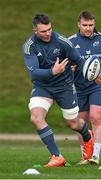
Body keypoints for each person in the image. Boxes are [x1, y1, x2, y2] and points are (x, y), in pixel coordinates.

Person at [22, 13, 94, 167]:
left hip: (64, 86)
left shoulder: (62, 41)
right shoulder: (29, 46)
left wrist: (93, 75)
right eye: (43, 31)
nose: (47, 33)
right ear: (35, 31)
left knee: (73, 124)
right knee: (36, 118)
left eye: (49, 29)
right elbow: (33, 72)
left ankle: (88, 136)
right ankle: (57, 156)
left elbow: (79, 61)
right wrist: (52, 72)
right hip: (43, 87)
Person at [69, 11, 101, 165]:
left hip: (100, 84)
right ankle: (86, 155)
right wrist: (69, 69)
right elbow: (64, 64)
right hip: (79, 87)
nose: (88, 28)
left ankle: (96, 156)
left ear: (94, 23)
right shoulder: (70, 42)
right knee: (81, 123)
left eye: (91, 25)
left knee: (96, 117)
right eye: (85, 25)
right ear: (78, 24)